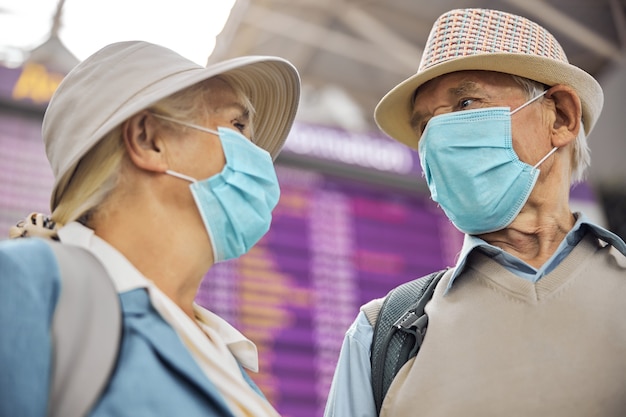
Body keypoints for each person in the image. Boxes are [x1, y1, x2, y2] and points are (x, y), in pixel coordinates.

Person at [324, 8, 626, 417]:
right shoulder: (382, 335)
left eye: (465, 102)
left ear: (560, 116)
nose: (437, 137)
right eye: (424, 125)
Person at [0, 40, 300, 416]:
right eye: (237, 125)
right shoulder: (24, 285)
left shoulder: (226, 357)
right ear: (149, 140)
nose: (261, 160)